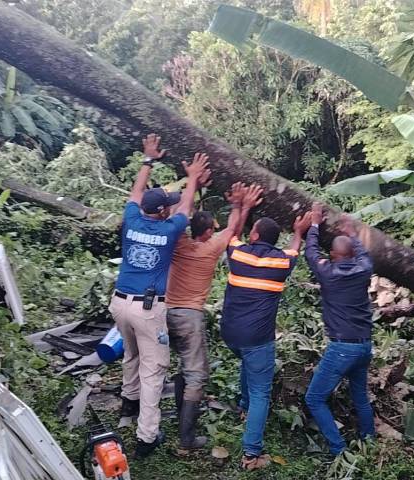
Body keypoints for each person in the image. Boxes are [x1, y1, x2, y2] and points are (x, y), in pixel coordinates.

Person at [110, 133, 210, 458]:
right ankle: (146, 437)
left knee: (131, 354)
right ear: (164, 212)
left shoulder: (131, 219)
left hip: (120, 303)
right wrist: (194, 178)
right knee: (154, 370)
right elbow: (187, 206)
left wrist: (147, 159)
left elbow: (136, 192)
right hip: (147, 309)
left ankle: (128, 404)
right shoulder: (169, 231)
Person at [165, 182, 264, 454]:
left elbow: (179, 214)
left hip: (164, 313)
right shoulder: (211, 249)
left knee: (183, 366)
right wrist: (240, 205)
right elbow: (233, 228)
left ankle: (178, 415)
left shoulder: (178, 243)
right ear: (209, 232)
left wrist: (193, 183)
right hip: (188, 316)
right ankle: (186, 441)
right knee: (197, 375)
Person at [220, 211, 313, 470]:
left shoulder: (239, 254)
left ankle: (244, 407)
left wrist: (243, 206)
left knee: (247, 364)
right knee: (262, 391)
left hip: (229, 334)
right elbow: (295, 249)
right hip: (257, 339)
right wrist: (298, 232)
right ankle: (251, 454)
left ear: (256, 235)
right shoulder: (282, 263)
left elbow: (232, 234)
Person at [303, 202, 375, 457]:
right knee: (360, 398)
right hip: (365, 345)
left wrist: (313, 224)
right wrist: (352, 232)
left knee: (313, 399)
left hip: (342, 347)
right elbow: (365, 255)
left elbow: (311, 252)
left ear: (333, 255)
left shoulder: (328, 272)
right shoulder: (364, 269)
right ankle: (369, 442)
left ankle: (338, 448)